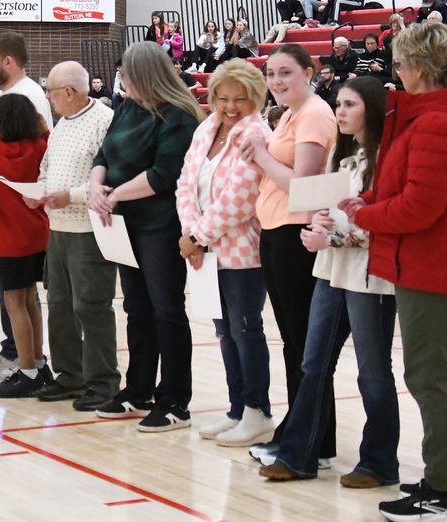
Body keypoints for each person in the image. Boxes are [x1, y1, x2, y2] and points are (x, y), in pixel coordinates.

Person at [337, 22, 447, 521]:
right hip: (429, 261)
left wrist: (362, 215)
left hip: (436, 265)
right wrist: (365, 198)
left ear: (423, 68)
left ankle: (442, 490)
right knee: (437, 375)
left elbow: (418, 209)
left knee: (428, 376)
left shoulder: (437, 124)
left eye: (402, 64)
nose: (396, 72)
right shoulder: (428, 117)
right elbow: (403, 187)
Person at [258, 77, 400, 489]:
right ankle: (300, 454)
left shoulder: (387, 160)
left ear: (371, 109)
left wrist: (332, 234)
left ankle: (378, 463)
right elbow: (330, 206)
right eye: (338, 103)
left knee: (373, 372)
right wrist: (320, 219)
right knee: (313, 362)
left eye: (349, 104)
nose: (340, 112)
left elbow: (383, 223)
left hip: (370, 277)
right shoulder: (343, 154)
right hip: (330, 270)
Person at [89, 42, 205, 431]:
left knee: (166, 309)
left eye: (126, 75)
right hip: (125, 223)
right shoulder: (127, 108)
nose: (121, 81)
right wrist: (96, 185)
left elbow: (165, 174)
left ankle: (174, 399)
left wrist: (116, 194)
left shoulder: (180, 115)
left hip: (160, 224)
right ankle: (138, 389)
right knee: (136, 307)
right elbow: (103, 154)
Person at [240, 44, 338, 461]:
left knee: (302, 343)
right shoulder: (291, 116)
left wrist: (261, 155)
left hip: (297, 235)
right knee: (294, 343)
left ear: (308, 72)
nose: (276, 81)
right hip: (277, 231)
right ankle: (300, 431)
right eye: (271, 73)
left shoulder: (314, 113)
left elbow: (302, 185)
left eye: (285, 73)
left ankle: (312, 438)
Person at [175, 59, 273, 443]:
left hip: (242, 252)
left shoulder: (256, 134)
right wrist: (191, 235)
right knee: (223, 332)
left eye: (241, 99)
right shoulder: (205, 129)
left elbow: (240, 200)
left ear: (256, 99)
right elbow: (185, 183)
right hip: (202, 249)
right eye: (223, 98)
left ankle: (257, 410)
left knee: (245, 330)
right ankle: (237, 410)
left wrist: (197, 238)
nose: (231, 107)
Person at [24, 61, 119, 411]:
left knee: (90, 305)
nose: (47, 96)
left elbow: (111, 176)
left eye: (50, 90)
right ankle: (70, 374)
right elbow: (47, 167)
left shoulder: (104, 122)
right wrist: (40, 189)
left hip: (88, 229)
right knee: (60, 305)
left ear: (69, 92)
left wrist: (72, 196)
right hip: (58, 228)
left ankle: (103, 382)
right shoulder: (62, 123)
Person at [0, 31, 54, 378]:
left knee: (15, 297)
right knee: (25, 296)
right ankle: (29, 358)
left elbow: (42, 159)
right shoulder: (11, 100)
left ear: (8, 61)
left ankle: (23, 362)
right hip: (31, 225)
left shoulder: (28, 95)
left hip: (6, 220)